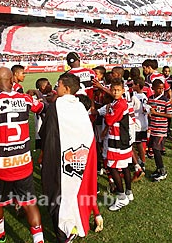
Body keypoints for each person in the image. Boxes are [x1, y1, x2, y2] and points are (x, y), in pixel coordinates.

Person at [0, 67, 45, 243]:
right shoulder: (24, 99)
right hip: (23, 162)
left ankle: (0, 235)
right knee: (30, 203)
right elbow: (39, 106)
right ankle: (38, 240)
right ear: (12, 81)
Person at [39, 73, 101, 242]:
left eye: (58, 85)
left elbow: (47, 133)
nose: (55, 87)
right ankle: (71, 223)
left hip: (59, 157)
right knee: (73, 192)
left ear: (66, 88)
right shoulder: (80, 106)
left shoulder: (56, 106)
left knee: (55, 194)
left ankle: (64, 232)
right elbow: (88, 133)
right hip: (79, 156)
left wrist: (44, 153)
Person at [103, 78, 133, 211]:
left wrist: (108, 112)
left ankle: (121, 197)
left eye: (118, 90)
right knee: (125, 166)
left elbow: (109, 120)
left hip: (117, 139)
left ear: (123, 90)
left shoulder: (120, 104)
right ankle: (129, 192)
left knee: (112, 166)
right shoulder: (117, 102)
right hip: (122, 138)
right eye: (113, 90)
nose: (115, 92)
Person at [147, 79, 172, 181]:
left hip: (161, 129)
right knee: (153, 148)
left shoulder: (165, 100)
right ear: (153, 88)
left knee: (156, 149)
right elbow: (149, 111)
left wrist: (156, 113)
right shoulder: (150, 99)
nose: (161, 90)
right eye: (159, 88)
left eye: (162, 88)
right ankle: (158, 169)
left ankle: (162, 171)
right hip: (153, 128)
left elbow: (170, 115)